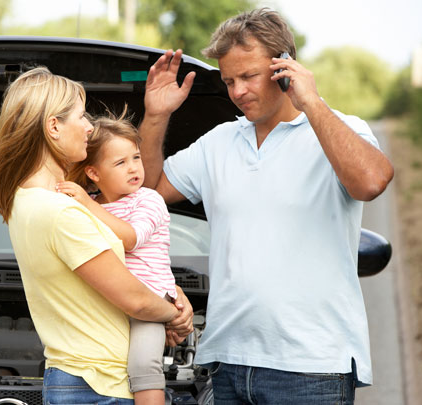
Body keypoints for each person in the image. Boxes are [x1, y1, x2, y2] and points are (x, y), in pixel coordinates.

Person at [138, 8, 394, 404]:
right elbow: (145, 192)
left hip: (313, 368)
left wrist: (312, 104)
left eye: (248, 76)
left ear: (285, 68)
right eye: (228, 81)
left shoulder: (340, 129)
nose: (237, 91)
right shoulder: (218, 142)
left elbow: (372, 181)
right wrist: (156, 116)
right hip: (227, 365)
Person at [0, 66, 194, 404]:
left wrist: (171, 291)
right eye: (81, 117)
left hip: (77, 378)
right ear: (53, 126)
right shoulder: (62, 212)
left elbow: (124, 266)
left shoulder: (26, 202)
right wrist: (176, 315)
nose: (88, 127)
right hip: (100, 386)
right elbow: (136, 300)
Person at [56, 111, 177, 405]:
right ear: (94, 174)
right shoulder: (90, 206)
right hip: (111, 304)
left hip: (150, 301)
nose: (134, 167)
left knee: (143, 365)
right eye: (120, 162)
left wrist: (85, 203)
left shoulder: (148, 200)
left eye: (135, 157)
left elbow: (131, 238)